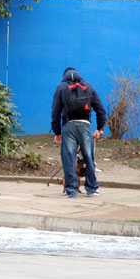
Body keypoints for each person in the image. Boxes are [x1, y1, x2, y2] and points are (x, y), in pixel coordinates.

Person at [50, 67, 106, 198]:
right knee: (88, 158)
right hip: (85, 125)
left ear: (64, 76)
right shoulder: (88, 86)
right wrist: (99, 129)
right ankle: (92, 189)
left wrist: (57, 132)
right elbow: (100, 109)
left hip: (68, 126)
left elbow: (55, 112)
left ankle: (71, 191)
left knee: (69, 158)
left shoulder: (61, 88)